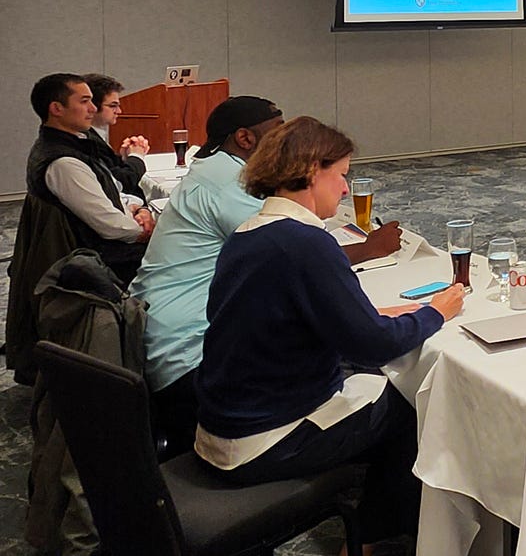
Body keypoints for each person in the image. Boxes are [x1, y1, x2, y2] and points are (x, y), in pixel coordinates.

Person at [193, 117, 463, 547]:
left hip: (220, 426)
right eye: (340, 176)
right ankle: (378, 538)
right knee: (418, 401)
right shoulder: (305, 243)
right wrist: (436, 312)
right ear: (311, 170)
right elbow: (374, 345)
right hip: (264, 440)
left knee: (372, 381)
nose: (343, 189)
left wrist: (369, 315)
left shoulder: (248, 234)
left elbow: (290, 318)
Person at [132, 96, 402, 449]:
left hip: (177, 340)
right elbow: (297, 250)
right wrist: (368, 249)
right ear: (245, 139)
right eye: (278, 132)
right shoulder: (227, 183)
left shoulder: (215, 170)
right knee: (388, 389)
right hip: (191, 359)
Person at [6, 75, 158, 384]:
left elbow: (108, 195)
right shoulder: (62, 160)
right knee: (170, 259)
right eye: (84, 101)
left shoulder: (73, 144)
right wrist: (145, 229)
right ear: (56, 108)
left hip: (93, 241)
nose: (92, 108)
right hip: (92, 257)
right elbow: (108, 225)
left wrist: (135, 210)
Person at [83, 72, 151, 200]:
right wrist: (136, 156)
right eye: (113, 106)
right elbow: (120, 183)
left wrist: (123, 159)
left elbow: (111, 171)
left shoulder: (95, 135)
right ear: (92, 107)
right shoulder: (86, 141)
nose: (119, 111)